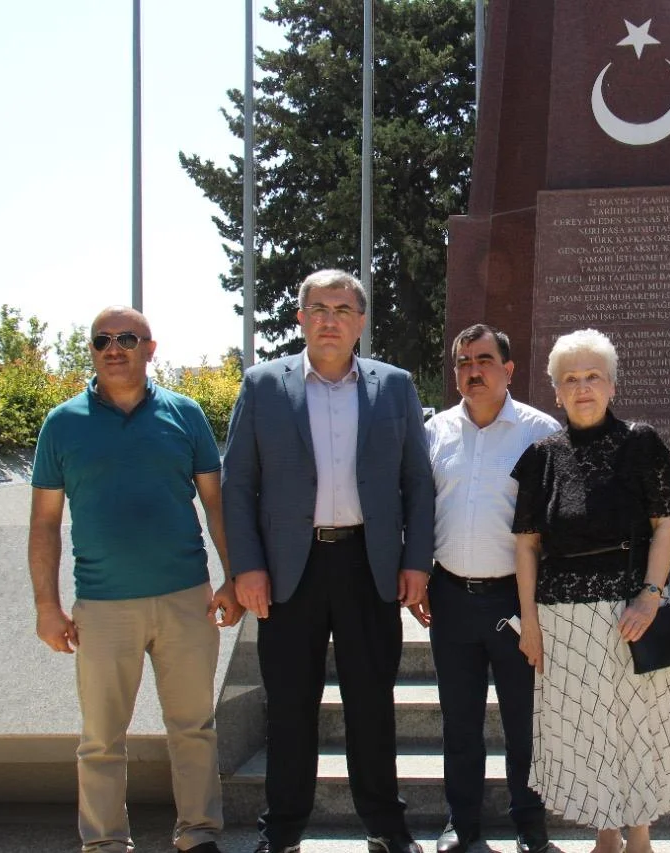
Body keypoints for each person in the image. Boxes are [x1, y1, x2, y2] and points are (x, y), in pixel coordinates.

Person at [221, 269, 435, 853]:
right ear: (301, 318)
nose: (330, 320)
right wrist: (246, 567)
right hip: (289, 571)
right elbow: (237, 483)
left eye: (343, 309)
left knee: (372, 704)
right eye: (318, 308)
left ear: (361, 321)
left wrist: (417, 562)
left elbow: (417, 481)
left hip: (370, 566)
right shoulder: (263, 385)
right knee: (290, 707)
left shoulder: (394, 386)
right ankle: (282, 833)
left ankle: (386, 828)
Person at [29, 306, 242, 853]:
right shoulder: (62, 424)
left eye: (127, 338)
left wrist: (232, 578)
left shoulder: (185, 414)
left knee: (193, 727)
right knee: (101, 738)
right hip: (102, 607)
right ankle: (104, 843)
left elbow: (216, 504)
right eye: (101, 340)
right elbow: (45, 522)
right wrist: (47, 607)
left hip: (186, 600)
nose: (113, 349)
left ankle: (198, 833)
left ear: (150, 349)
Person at [512, 328, 670, 853]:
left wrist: (650, 595)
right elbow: (526, 545)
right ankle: (605, 835)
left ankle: (639, 836)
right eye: (570, 379)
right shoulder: (541, 457)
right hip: (562, 619)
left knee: (637, 726)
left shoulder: (641, 443)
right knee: (585, 731)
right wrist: (529, 623)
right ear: (556, 392)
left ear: (612, 385)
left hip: (630, 614)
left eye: (593, 376)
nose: (583, 387)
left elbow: (666, 524)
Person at [424, 324, 559, 853]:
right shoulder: (434, 431)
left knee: (524, 722)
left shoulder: (540, 432)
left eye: (483, 360)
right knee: (459, 721)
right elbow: (419, 508)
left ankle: (530, 823)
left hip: (516, 600)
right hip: (450, 596)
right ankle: (461, 822)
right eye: (463, 362)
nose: (472, 371)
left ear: (508, 369)